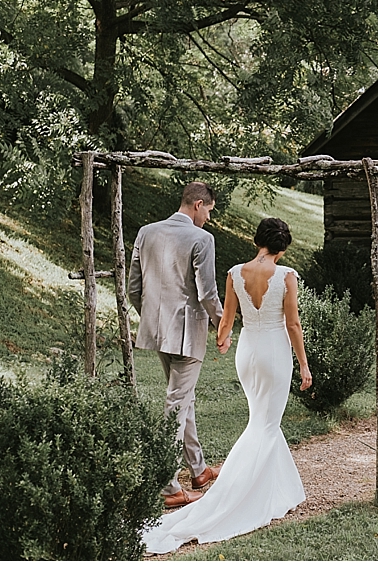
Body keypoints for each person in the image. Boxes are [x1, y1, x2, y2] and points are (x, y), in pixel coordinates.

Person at [142, 217, 313, 554]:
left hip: (247, 353)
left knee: (261, 421)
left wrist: (222, 340)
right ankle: (239, 494)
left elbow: (228, 319)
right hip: (275, 353)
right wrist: (304, 365)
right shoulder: (286, 276)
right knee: (265, 424)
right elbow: (292, 323)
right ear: (282, 248)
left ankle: (282, 489)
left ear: (257, 241)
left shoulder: (236, 272)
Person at [129, 182, 224, 510]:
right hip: (186, 333)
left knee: (184, 399)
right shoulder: (202, 239)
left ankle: (198, 470)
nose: (209, 218)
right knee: (176, 405)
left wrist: (151, 315)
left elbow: (133, 288)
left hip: (156, 330)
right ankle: (169, 487)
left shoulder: (146, 232)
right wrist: (222, 325)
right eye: (209, 211)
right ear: (198, 205)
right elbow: (207, 292)